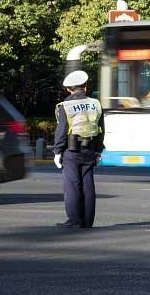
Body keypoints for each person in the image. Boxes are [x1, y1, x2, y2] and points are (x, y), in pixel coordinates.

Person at [53, 70, 105, 228]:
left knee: (72, 186)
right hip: (90, 149)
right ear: (85, 87)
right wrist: (98, 150)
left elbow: (62, 130)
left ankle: (74, 220)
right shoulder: (95, 104)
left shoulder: (65, 106)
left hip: (71, 150)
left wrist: (57, 152)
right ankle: (88, 221)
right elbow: (101, 129)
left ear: (69, 89)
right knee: (88, 185)